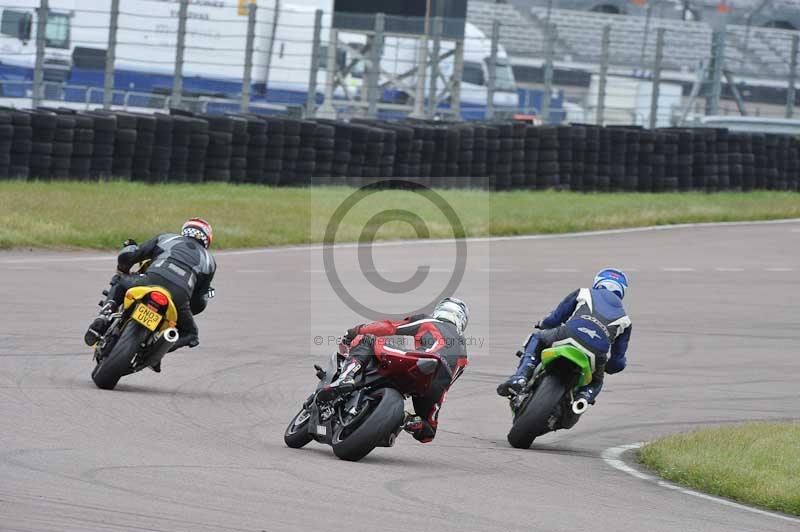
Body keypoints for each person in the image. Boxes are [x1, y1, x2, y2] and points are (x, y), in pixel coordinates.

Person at [317, 297, 470, 443]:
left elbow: (390, 327)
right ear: (462, 321)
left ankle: (347, 377)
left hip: (421, 360)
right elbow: (447, 384)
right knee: (428, 431)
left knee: (366, 341)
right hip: (434, 385)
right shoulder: (464, 354)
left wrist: (354, 331)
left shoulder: (430, 321)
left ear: (440, 311)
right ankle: (411, 421)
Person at [84, 218, 217, 370]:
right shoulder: (210, 261)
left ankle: (103, 317)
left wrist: (124, 268)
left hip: (151, 279)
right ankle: (157, 351)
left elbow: (132, 255)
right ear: (207, 239)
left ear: (185, 231)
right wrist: (184, 310)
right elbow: (200, 301)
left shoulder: (167, 238)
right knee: (192, 334)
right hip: (179, 296)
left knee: (120, 281)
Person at [496, 269, 632, 405]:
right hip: (596, 353)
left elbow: (555, 319)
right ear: (622, 292)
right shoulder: (625, 320)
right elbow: (617, 363)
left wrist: (543, 324)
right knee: (597, 381)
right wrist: (608, 367)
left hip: (568, 335)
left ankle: (521, 377)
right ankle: (584, 398)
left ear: (598, 283)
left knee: (536, 337)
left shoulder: (584, 293)